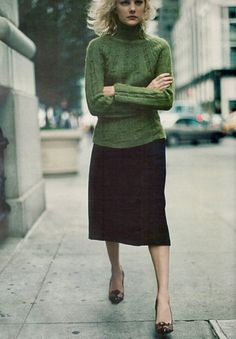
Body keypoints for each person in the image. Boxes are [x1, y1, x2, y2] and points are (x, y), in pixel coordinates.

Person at [85, 0, 174, 334]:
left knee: (154, 216)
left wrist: (117, 91)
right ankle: (116, 270)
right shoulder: (98, 49)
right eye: (125, 2)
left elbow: (165, 100)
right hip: (109, 144)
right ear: (113, 8)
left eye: (139, 2)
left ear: (147, 7)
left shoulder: (158, 48)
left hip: (149, 142)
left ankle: (163, 297)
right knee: (111, 216)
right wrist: (142, 94)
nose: (133, 8)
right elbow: (95, 104)